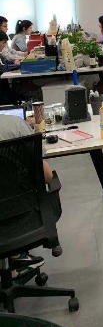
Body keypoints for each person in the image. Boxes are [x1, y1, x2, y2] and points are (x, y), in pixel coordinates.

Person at [0, 113, 54, 279]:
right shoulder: (15, 125)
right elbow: (47, 176)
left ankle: (14, 260)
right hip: (24, 216)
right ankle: (17, 258)